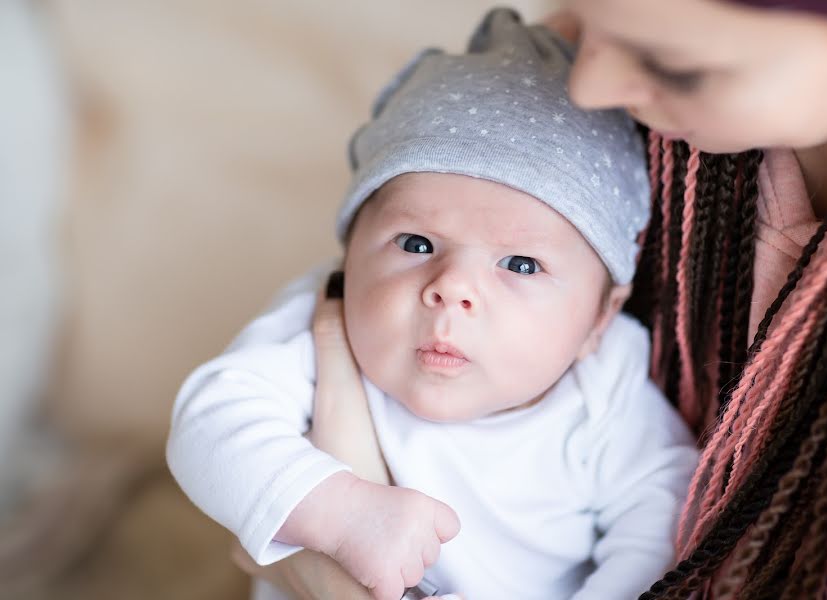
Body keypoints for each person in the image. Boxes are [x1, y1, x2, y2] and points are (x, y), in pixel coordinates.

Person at [234, 1, 827, 599]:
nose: (589, 85)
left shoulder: (610, 402)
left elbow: (655, 509)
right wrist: (322, 508)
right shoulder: (566, 67)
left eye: (673, 63)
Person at [166, 9, 698, 600]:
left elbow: (664, 521)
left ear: (599, 318)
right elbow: (209, 424)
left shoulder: (607, 391)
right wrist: (341, 511)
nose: (453, 287)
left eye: (521, 265)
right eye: (416, 244)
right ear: (351, 254)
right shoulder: (327, 322)